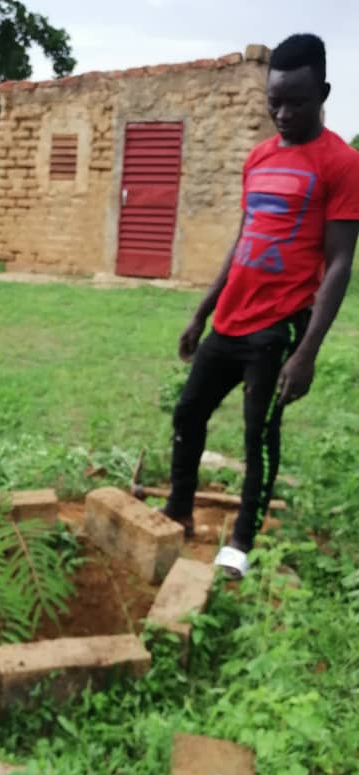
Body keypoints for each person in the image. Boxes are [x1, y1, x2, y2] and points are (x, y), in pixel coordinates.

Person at [162, 33, 359, 578]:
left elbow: (340, 263)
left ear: (323, 91)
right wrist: (202, 313)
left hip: (280, 327)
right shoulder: (259, 158)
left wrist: (309, 353)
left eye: (295, 100)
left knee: (258, 434)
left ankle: (241, 542)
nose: (282, 112)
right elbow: (245, 238)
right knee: (188, 412)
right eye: (273, 100)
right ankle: (179, 511)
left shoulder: (342, 164)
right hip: (230, 319)